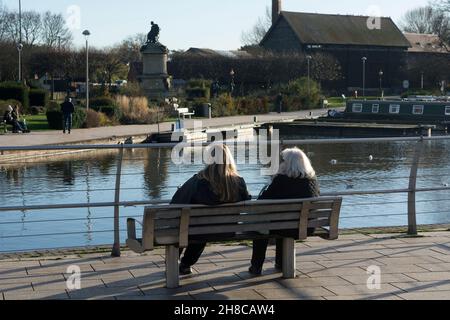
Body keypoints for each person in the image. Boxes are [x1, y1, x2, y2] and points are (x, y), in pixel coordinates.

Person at [171, 144, 251, 275]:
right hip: (227, 231)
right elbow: (246, 201)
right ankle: (186, 264)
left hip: (199, 231)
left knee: (185, 226)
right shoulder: (239, 182)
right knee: (202, 228)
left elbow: (176, 203)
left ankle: (177, 262)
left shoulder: (198, 181)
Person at [249, 147, 320, 276]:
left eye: (284, 161)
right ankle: (280, 263)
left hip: (283, 227)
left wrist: (275, 179)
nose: (282, 163)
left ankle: (256, 266)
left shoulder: (281, 181)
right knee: (285, 223)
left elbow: (262, 201)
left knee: (261, 227)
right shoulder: (313, 181)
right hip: (307, 227)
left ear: (288, 164)